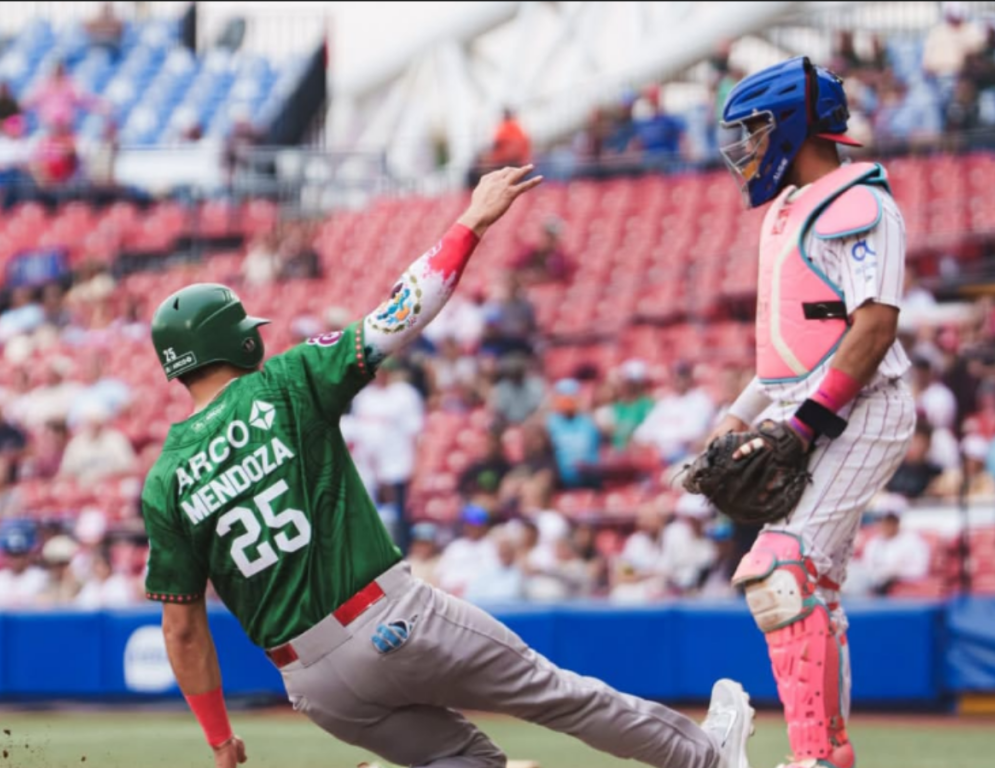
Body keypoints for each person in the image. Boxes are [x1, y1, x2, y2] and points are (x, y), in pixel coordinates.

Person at [140, 165, 753, 768]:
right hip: (389, 618)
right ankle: (707, 760)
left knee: (468, 763)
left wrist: (220, 740)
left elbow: (182, 629)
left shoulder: (165, 478)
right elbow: (400, 314)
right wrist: (472, 221)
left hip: (311, 681)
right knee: (556, 694)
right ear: (236, 340)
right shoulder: (283, 382)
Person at [708, 57, 915, 768]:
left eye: (755, 129)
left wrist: (802, 427)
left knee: (780, 570)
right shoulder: (793, 207)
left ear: (793, 126)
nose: (746, 146)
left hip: (865, 407)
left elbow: (873, 328)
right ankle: (824, 753)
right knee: (810, 585)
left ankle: (818, 756)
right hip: (815, 408)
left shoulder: (861, 203)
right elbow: (796, 347)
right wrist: (739, 414)